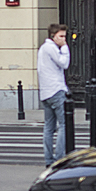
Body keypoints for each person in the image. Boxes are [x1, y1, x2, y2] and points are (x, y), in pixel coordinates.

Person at [37, 23, 70, 165]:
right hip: (56, 90)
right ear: (53, 36)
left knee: (49, 127)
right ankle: (59, 158)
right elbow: (64, 63)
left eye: (65, 36)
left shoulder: (43, 48)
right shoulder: (51, 48)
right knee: (63, 125)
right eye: (61, 36)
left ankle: (48, 159)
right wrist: (65, 48)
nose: (63, 39)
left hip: (45, 92)